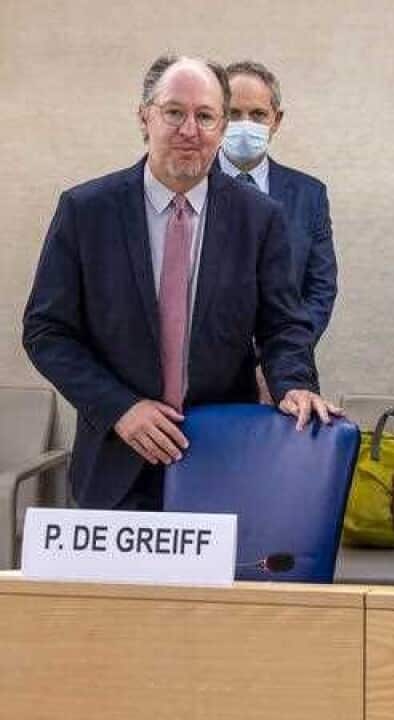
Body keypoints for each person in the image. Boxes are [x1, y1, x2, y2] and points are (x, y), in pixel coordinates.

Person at [23, 55, 339, 512]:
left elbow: (283, 326)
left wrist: (294, 384)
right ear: (144, 117)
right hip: (117, 457)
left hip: (220, 458)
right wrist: (120, 409)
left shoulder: (259, 218)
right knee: (115, 588)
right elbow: (47, 332)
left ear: (219, 127)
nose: (190, 129)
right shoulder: (86, 211)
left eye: (207, 116)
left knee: (213, 587)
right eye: (174, 112)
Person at [220, 60, 337, 402]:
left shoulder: (308, 194)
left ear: (276, 120)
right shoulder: (192, 187)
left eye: (257, 114)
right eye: (234, 113)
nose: (245, 125)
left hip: (288, 382)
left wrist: (277, 360)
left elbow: (320, 289)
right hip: (203, 381)